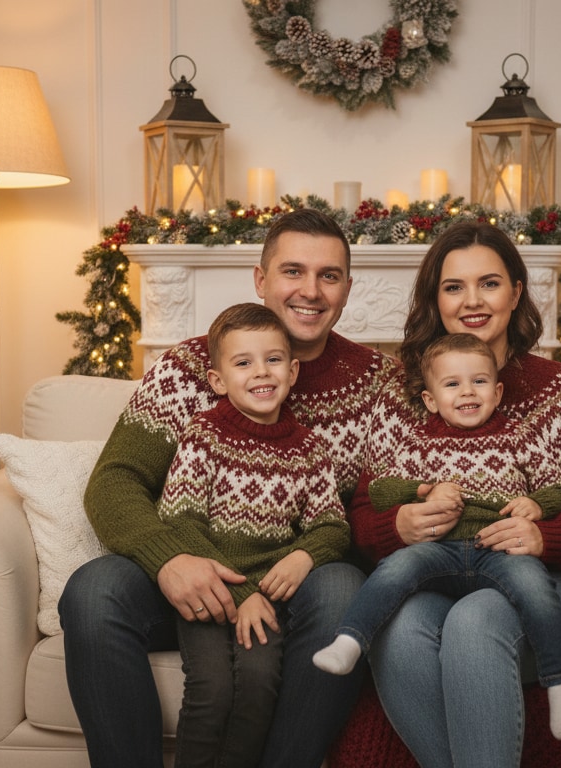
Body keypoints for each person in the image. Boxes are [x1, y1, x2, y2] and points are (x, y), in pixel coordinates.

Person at [59, 208, 398, 768]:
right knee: (93, 591)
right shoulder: (187, 368)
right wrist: (171, 561)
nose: (309, 291)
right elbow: (116, 481)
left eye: (328, 276)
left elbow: (372, 508)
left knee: (342, 591)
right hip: (193, 568)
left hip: (298, 582)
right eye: (292, 271)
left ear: (347, 288)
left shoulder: (379, 383)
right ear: (261, 279)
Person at [347, 221, 561, 768]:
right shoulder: (404, 395)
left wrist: (542, 536)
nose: (472, 301)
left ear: (517, 292)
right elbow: (363, 513)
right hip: (442, 572)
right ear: (435, 299)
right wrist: (397, 527)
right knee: (402, 630)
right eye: (453, 286)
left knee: (477, 620)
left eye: (490, 283)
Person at [313, 332, 561, 740]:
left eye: (478, 382)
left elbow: (560, 487)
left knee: (535, 584)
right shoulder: (418, 441)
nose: (466, 393)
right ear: (430, 399)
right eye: (452, 384)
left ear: (497, 392)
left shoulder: (521, 435)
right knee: (395, 567)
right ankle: (350, 641)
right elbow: (381, 489)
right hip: (438, 550)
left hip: (499, 548)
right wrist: (423, 492)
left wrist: (537, 506)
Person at [160, 302, 350, 767]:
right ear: (218, 381)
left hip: (267, 602)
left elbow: (332, 525)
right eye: (243, 362)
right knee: (212, 689)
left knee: (261, 684)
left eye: (273, 359)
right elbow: (179, 519)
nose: (261, 372)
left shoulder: (309, 449)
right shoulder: (203, 435)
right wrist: (240, 590)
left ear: (293, 370)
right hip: (209, 594)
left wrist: (304, 555)